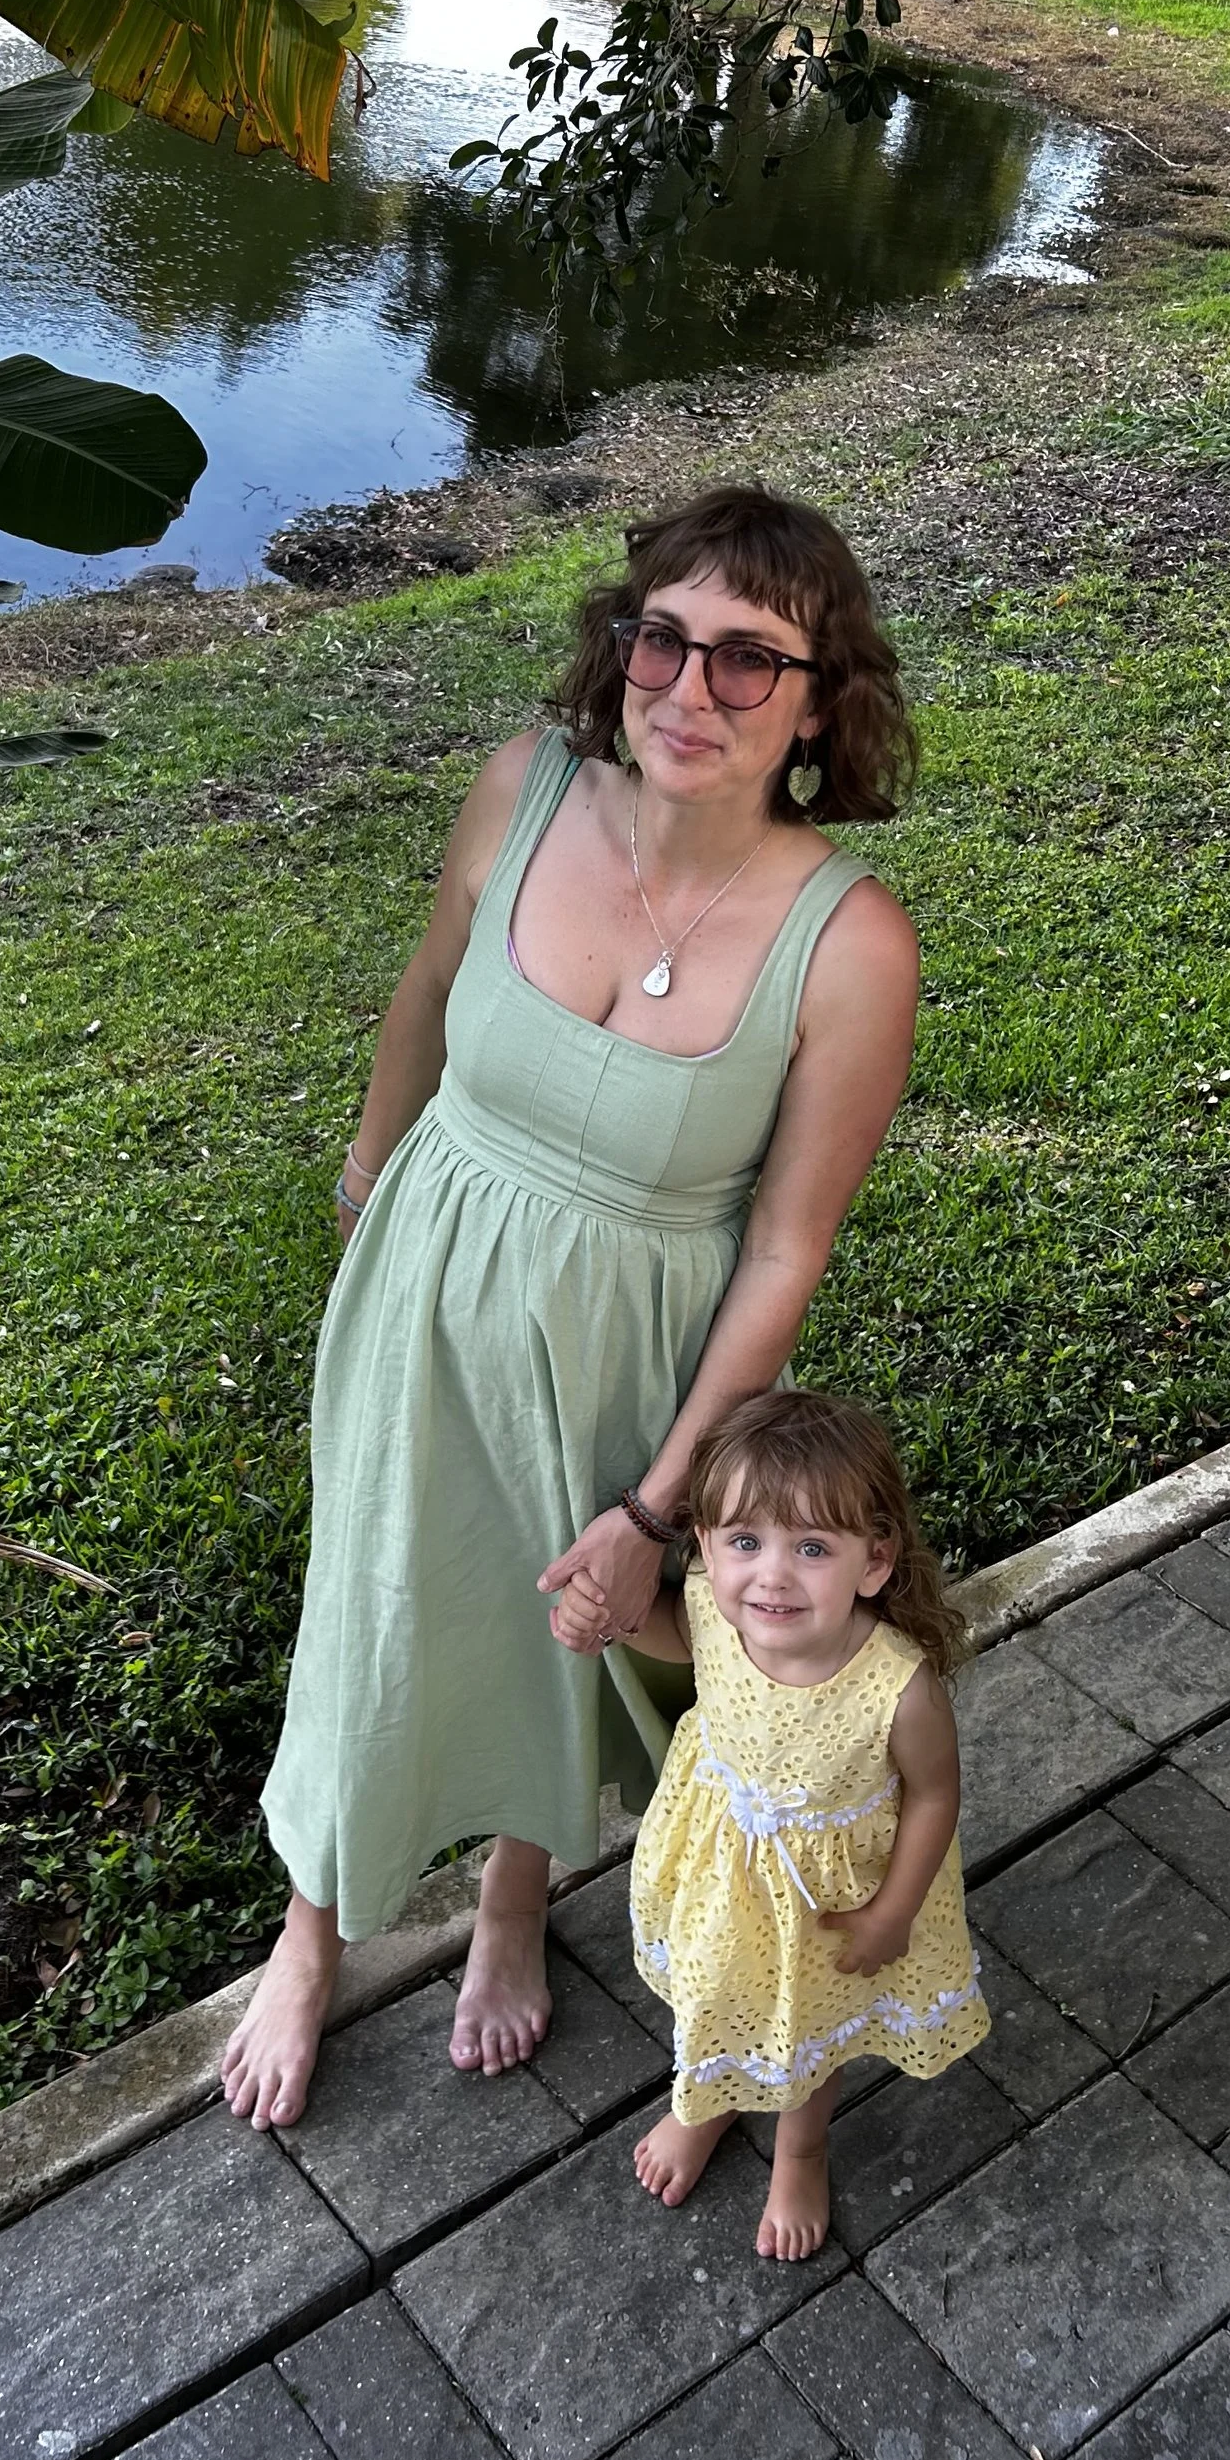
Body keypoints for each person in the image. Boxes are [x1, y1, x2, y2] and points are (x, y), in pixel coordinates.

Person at [220, 487, 922, 2131]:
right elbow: (424, 987)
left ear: (821, 705)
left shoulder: (850, 945)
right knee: (381, 1593)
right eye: (662, 638)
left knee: (570, 1616)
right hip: (429, 1266)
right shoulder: (518, 794)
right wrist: (365, 1175)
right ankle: (311, 1922)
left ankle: (518, 1891)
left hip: (640, 1326)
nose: (689, 687)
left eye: (751, 660)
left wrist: (655, 1499)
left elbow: (784, 1249)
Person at [579, 1386, 984, 2261]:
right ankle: (714, 2099)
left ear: (873, 1560)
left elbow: (936, 1796)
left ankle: (800, 2149)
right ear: (706, 1546)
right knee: (721, 1989)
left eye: (812, 1546)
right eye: (745, 1542)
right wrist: (605, 1616)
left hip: (832, 1902)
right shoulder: (717, 1615)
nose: (771, 1574)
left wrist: (894, 1912)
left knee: (810, 2024)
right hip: (723, 1870)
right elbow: (664, 1632)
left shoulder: (897, 1685)